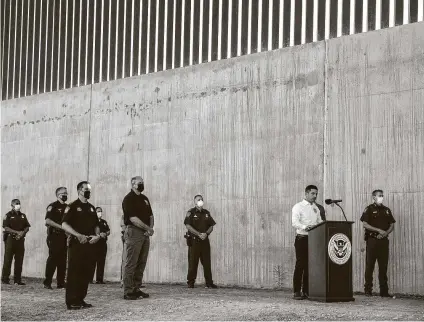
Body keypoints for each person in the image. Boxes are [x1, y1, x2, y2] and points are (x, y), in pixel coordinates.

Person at [61, 181, 101, 310]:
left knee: (86, 272)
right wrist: (78, 235)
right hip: (77, 243)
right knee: (75, 272)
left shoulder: (91, 208)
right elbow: (64, 225)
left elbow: (96, 225)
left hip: (90, 243)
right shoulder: (72, 206)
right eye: (86, 189)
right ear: (79, 191)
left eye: (89, 189)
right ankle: (72, 301)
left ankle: (80, 299)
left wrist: (97, 236)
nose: (88, 191)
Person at [122, 176, 153, 300]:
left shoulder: (145, 198)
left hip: (145, 234)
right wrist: (147, 228)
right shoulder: (128, 199)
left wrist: (149, 229)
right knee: (131, 263)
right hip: (134, 232)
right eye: (139, 183)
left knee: (141, 262)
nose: (142, 184)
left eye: (143, 182)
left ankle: (136, 288)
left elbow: (151, 215)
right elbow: (132, 218)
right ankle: (128, 291)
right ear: (133, 184)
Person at [360, 189, 396, 297]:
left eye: (382, 195)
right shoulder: (369, 209)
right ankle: (368, 290)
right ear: (374, 197)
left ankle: (384, 292)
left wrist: (385, 233)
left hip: (383, 241)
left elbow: (392, 225)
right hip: (372, 241)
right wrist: (378, 230)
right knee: (370, 265)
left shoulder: (387, 210)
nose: (381, 197)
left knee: (383, 266)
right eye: (379, 196)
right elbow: (365, 224)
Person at [291, 185, 323, 300]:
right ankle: (296, 291)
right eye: (313, 193)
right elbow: (294, 222)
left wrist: (322, 226)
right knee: (300, 265)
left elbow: (320, 222)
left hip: (313, 239)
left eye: (316, 194)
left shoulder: (316, 208)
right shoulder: (298, 207)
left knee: (310, 266)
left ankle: (306, 290)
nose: (315, 196)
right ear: (306, 193)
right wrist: (305, 227)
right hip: (302, 238)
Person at [184, 195, 217, 289]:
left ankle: (209, 283)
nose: (200, 201)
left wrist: (206, 234)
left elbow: (211, 226)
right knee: (192, 263)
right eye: (198, 200)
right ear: (194, 202)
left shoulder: (206, 213)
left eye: (201, 199)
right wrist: (198, 234)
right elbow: (188, 226)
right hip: (194, 241)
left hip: (205, 241)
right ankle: (190, 283)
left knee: (207, 262)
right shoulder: (190, 212)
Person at [43, 187, 68, 289]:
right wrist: (61, 227)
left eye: (66, 193)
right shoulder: (52, 206)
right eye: (63, 193)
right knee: (53, 259)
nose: (65, 195)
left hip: (64, 237)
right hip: (54, 236)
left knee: (63, 260)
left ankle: (60, 283)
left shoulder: (68, 207)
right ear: (58, 195)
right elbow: (48, 221)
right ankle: (47, 282)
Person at [1, 199, 31, 285]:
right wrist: (17, 232)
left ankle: (17, 280)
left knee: (19, 260)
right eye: (16, 204)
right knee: (8, 259)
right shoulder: (8, 215)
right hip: (10, 239)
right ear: (12, 205)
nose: (18, 205)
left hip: (20, 240)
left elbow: (27, 226)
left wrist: (23, 233)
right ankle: (5, 279)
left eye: (19, 203)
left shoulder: (23, 215)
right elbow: (6, 228)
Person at [90, 207, 110, 284]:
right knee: (92, 261)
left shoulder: (103, 222)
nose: (99, 213)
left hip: (102, 243)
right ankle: (90, 279)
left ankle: (99, 279)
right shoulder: (92, 221)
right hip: (95, 243)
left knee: (101, 261)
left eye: (100, 211)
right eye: (98, 211)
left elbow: (108, 230)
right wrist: (99, 235)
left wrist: (105, 233)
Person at [120, 215, 126, 287]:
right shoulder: (124, 216)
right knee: (125, 258)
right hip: (127, 236)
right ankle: (123, 280)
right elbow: (123, 227)